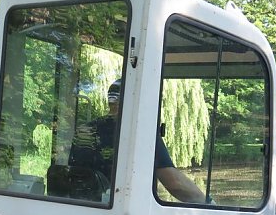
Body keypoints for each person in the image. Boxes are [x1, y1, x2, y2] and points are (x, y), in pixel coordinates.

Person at [69, 79, 208, 204]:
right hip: (122, 211)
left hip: (83, 206)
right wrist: (208, 203)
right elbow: (175, 183)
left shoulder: (84, 130)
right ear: (134, 100)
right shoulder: (139, 132)